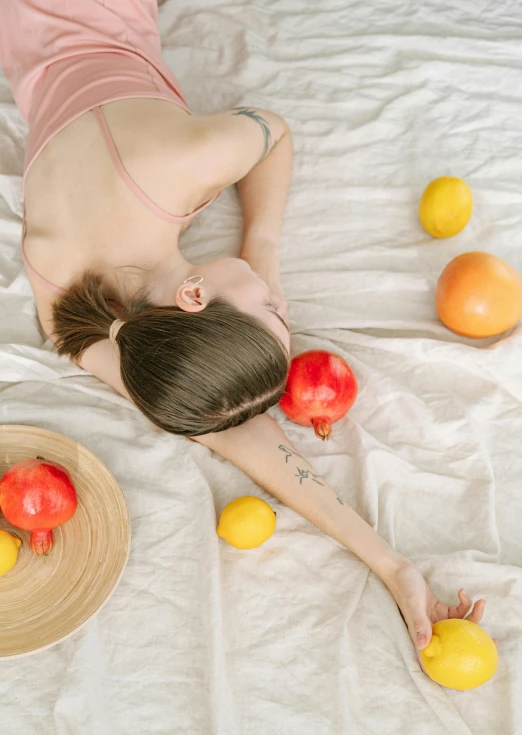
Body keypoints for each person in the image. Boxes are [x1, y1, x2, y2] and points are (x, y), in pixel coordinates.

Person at [0, 0, 487, 659]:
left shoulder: (182, 162)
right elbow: (223, 430)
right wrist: (390, 563)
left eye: (271, 306)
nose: (276, 297)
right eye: (280, 308)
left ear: (196, 294)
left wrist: (263, 251)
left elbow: (274, 132)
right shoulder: (79, 321)